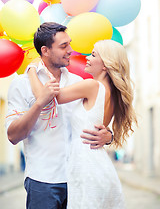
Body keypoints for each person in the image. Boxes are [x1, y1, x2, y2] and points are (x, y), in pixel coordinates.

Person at [5, 22, 113, 209]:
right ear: (45, 50)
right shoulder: (21, 85)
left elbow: (93, 120)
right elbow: (13, 136)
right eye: (64, 46)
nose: (71, 50)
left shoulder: (77, 82)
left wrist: (109, 136)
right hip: (42, 181)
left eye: (69, 44)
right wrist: (39, 103)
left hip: (78, 179)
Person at [28, 39, 137, 208]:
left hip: (87, 167)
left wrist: (32, 70)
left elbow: (47, 97)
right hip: (98, 164)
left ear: (105, 65)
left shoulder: (92, 86)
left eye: (93, 55)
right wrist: (109, 137)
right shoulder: (113, 94)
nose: (87, 57)